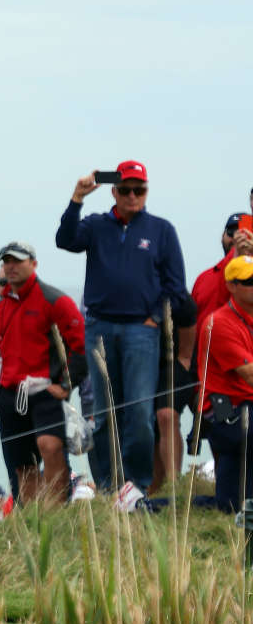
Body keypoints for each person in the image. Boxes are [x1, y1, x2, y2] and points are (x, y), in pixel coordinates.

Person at [57, 163, 187, 492]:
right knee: (104, 414)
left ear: (146, 192)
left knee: (140, 414)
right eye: (125, 189)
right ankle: (107, 486)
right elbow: (65, 240)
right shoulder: (97, 225)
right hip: (100, 328)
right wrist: (77, 198)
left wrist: (154, 318)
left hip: (141, 332)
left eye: (139, 189)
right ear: (113, 191)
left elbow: (176, 286)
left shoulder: (161, 230)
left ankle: (137, 486)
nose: (132, 196)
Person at [0, 242, 86, 503]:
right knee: (22, 466)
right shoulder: (0, 309)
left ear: (33, 264)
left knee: (51, 447)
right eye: (7, 262)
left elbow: (81, 344)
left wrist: (65, 384)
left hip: (44, 391)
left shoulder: (54, 300)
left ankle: (58, 512)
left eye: (18, 261)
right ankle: (33, 523)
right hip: (10, 396)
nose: (11, 266)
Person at [197, 255, 253, 520]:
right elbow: (250, 376)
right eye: (249, 281)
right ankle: (143, 506)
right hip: (227, 414)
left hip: (247, 410)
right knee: (232, 505)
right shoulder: (218, 322)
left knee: (229, 505)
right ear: (231, 285)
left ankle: (143, 506)